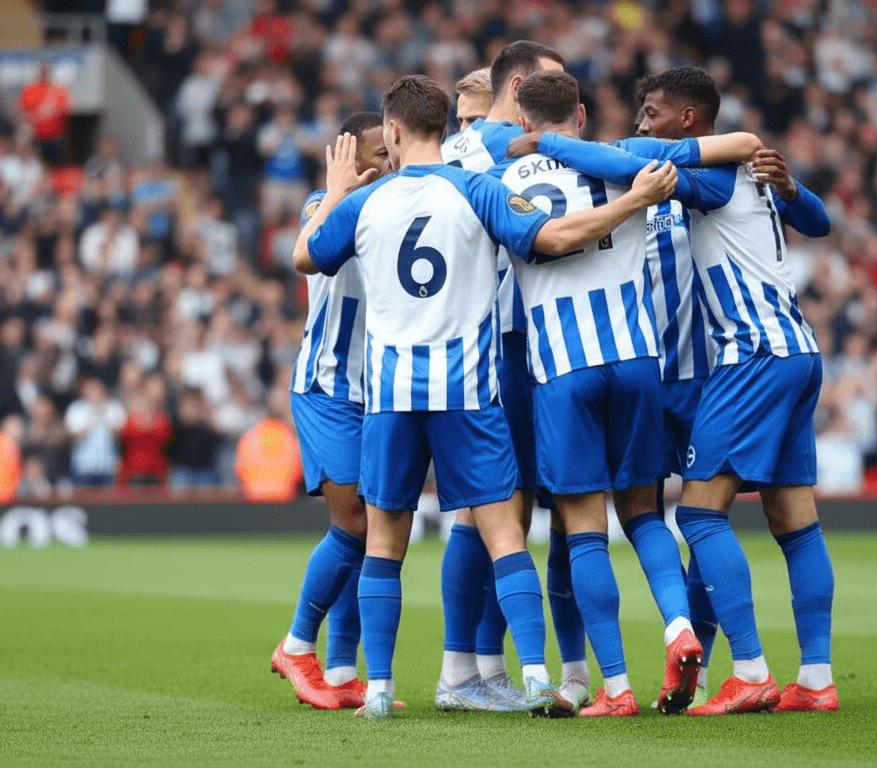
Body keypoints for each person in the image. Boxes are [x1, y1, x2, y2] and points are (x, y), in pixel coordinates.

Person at [293, 74, 678, 719]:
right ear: (447, 128)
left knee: (385, 542)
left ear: (390, 132)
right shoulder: (479, 188)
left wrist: (334, 192)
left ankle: (380, 692)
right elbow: (552, 238)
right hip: (468, 391)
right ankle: (532, 678)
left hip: (390, 395)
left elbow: (306, 257)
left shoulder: (368, 200)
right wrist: (629, 203)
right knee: (506, 535)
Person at [521, 64, 836, 714]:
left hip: (739, 359)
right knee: (791, 520)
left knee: (694, 514)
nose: (641, 122)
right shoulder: (743, 171)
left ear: (688, 118)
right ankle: (815, 677)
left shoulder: (711, 173)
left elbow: (626, 158)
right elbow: (819, 219)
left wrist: (539, 141)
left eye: (652, 111)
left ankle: (746, 671)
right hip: (791, 350)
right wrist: (794, 187)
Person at [494, 69, 761, 717]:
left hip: (564, 368)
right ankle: (679, 627)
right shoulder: (627, 159)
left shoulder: (499, 183)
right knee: (645, 514)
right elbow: (735, 146)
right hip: (638, 361)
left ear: (522, 122)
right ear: (582, 116)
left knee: (584, 527)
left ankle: (614, 687)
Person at [433, 40, 566, 714]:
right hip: (502, 345)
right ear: (518, 89)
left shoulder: (467, 147)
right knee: (494, 508)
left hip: (487, 346)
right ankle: (468, 670)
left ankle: (478, 668)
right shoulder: (488, 143)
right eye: (550, 88)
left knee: (493, 509)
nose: (559, 103)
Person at [271, 112, 392, 712]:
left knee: (366, 532)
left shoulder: (404, 202)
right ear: (345, 158)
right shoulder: (324, 203)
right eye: (371, 154)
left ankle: (344, 670)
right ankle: (296, 645)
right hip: (328, 388)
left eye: (389, 151)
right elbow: (314, 251)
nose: (384, 162)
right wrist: (347, 184)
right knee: (358, 524)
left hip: (380, 394)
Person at [17, 62, 71, 165]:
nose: (44, 74)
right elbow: (20, 111)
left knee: (56, 164)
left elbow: (67, 111)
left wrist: (52, 112)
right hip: (36, 137)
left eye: (46, 71)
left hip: (56, 137)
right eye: (42, 71)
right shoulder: (29, 90)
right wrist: (27, 125)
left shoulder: (59, 90)